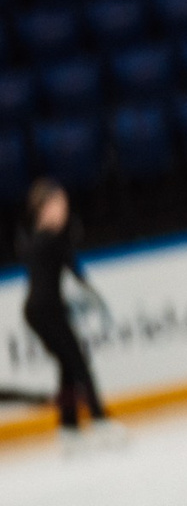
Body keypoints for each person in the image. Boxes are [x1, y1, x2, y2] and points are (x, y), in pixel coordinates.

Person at [18, 178, 113, 445]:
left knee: (68, 365)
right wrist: (93, 296)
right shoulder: (50, 239)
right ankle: (99, 418)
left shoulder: (36, 238)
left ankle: (69, 425)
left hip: (39, 311)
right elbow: (74, 270)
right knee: (79, 364)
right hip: (47, 312)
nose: (65, 211)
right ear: (45, 207)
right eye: (60, 205)